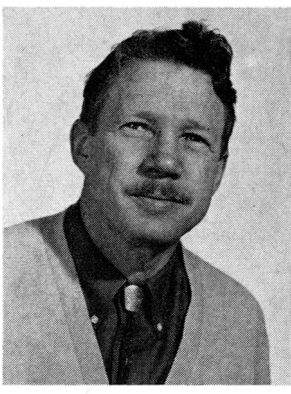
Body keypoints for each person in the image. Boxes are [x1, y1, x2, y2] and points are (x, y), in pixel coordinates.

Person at [3, 20, 270, 385]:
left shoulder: (239, 319)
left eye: (193, 137)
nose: (165, 161)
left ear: (218, 172)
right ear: (84, 146)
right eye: (138, 127)